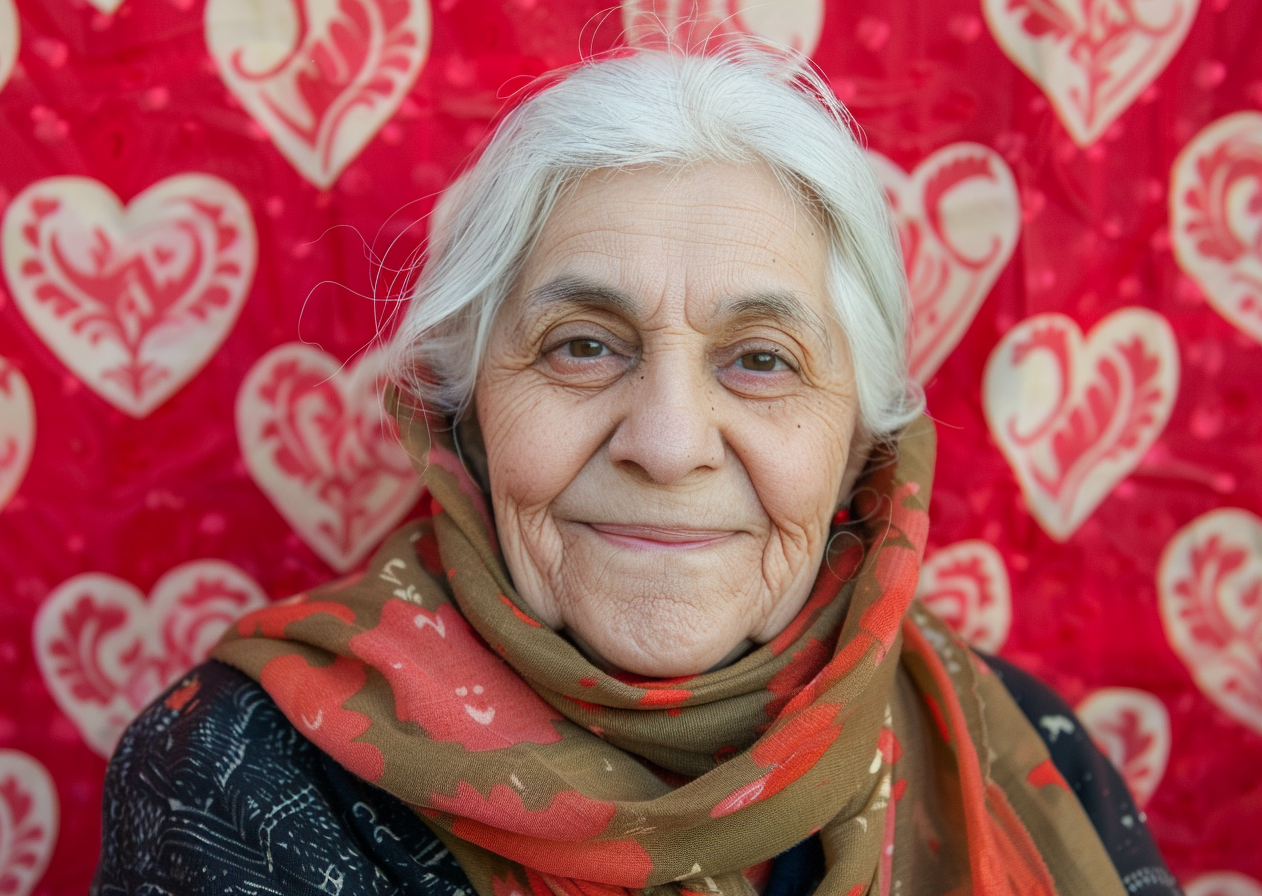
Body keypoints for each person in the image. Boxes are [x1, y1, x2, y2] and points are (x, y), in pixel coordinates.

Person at [92, 42, 1182, 896]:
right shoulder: (240, 772)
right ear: (464, 414)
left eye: (761, 361)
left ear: (860, 445)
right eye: (582, 345)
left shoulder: (1015, 740)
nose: (666, 442)